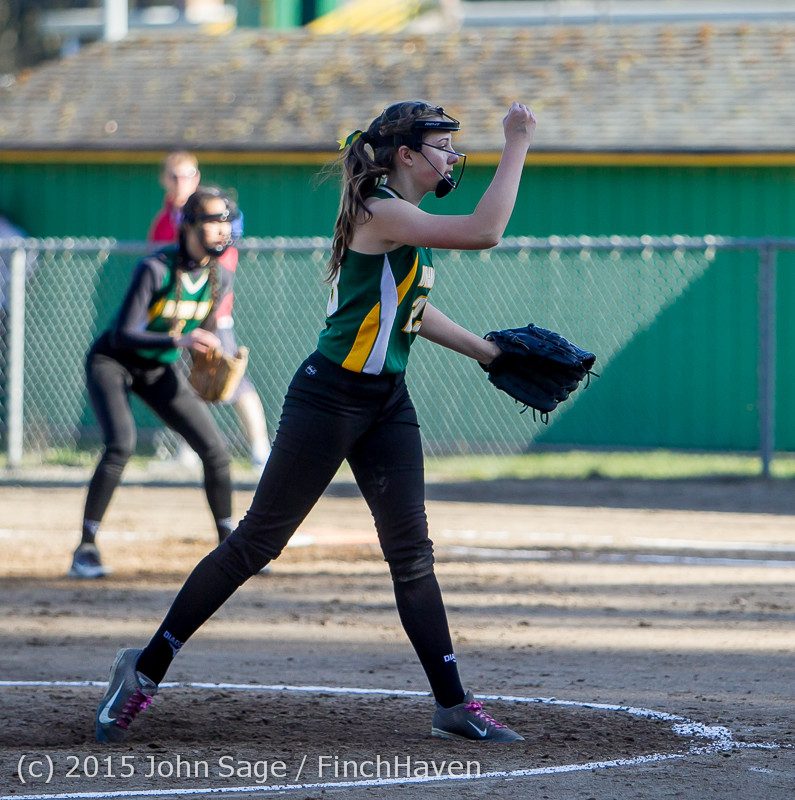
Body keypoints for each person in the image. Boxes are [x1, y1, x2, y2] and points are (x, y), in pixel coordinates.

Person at [94, 100, 536, 742]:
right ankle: (143, 669)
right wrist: (517, 143)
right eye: (441, 146)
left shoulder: (401, 218)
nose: (451, 157)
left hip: (386, 401)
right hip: (328, 398)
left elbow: (407, 309)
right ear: (406, 156)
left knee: (411, 552)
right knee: (255, 543)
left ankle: (452, 703)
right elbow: (485, 231)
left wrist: (489, 353)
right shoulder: (380, 209)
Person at [69, 188, 240, 579]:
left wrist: (208, 359)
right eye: (214, 221)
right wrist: (180, 341)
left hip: (157, 369)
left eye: (226, 221)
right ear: (189, 226)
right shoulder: (155, 268)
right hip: (112, 361)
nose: (222, 229)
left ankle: (231, 546)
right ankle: (86, 547)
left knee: (215, 450)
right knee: (121, 444)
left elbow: (203, 335)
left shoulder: (221, 277)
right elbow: (124, 333)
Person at [149, 151, 271, 473]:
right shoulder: (164, 221)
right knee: (186, 385)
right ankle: (187, 451)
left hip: (211, 313)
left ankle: (261, 452)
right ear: (165, 180)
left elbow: (223, 257)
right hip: (176, 318)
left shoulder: (220, 212)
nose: (182, 182)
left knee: (232, 378)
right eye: (175, 176)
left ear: (198, 177)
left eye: (188, 175)